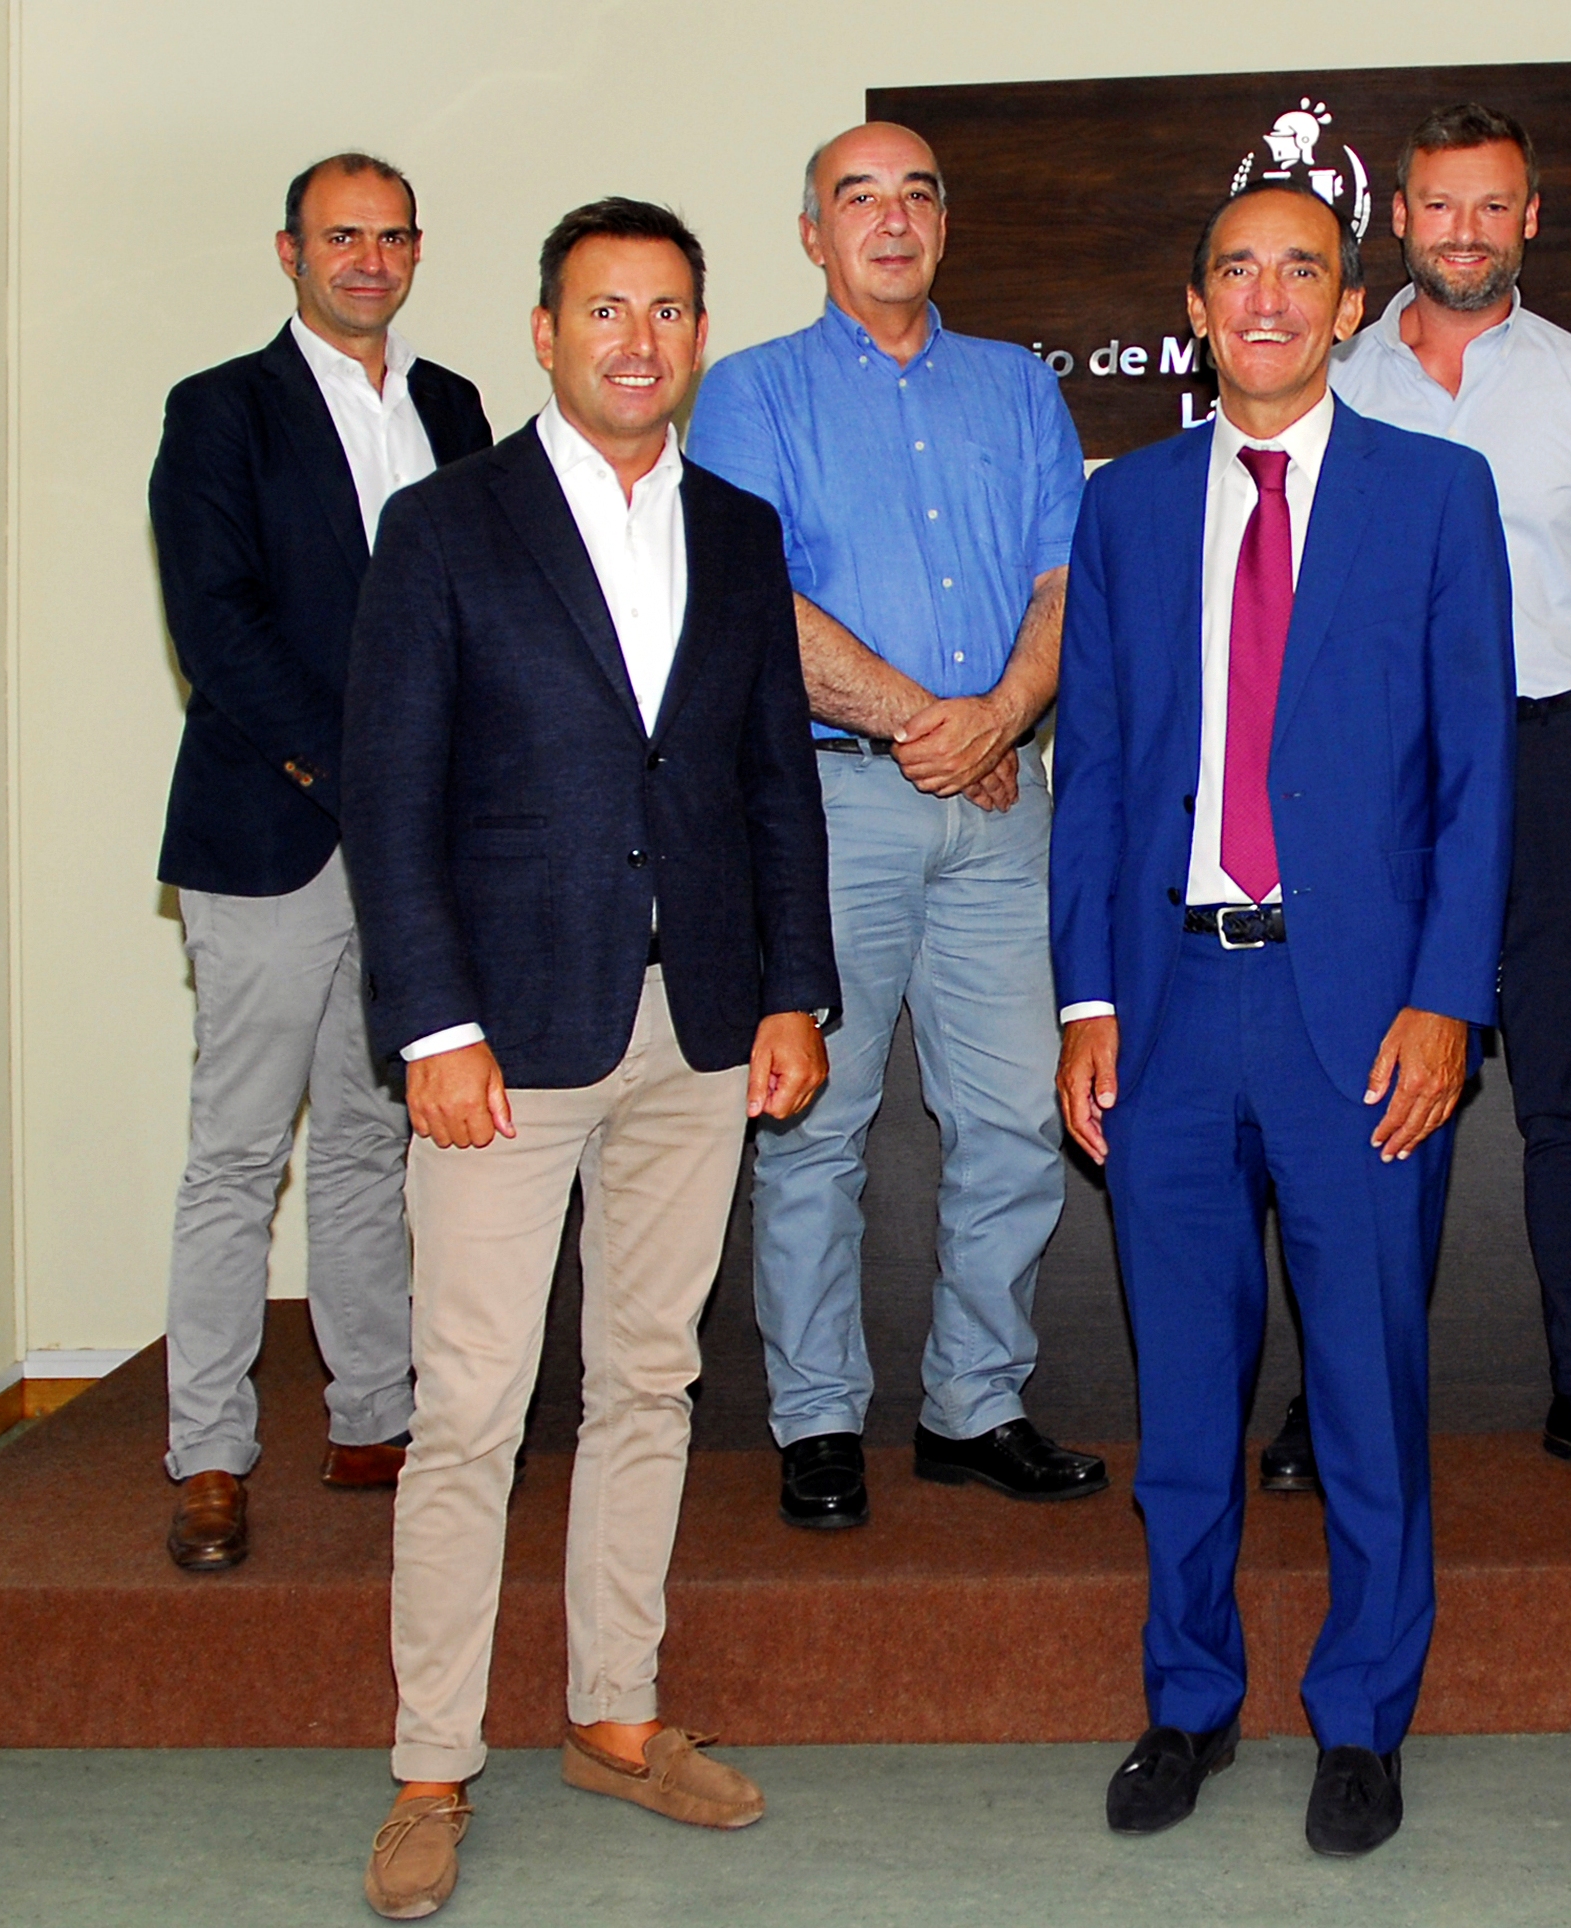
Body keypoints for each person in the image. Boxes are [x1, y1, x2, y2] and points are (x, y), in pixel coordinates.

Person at [342, 199, 837, 1919]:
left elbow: (773, 779)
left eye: (671, 310)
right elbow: (391, 800)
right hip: (504, 1036)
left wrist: (794, 992)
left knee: (649, 1381)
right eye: (605, 310)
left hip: (696, 1029)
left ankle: (615, 1715)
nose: (640, 339)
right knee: (471, 1407)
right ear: (545, 333)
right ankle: (430, 1765)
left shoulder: (739, 528)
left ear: (699, 335)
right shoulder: (443, 526)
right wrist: (434, 1026)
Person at [1050, 181, 1512, 1860]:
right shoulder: (1124, 505)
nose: (1265, 298)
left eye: (1299, 271)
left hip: (1361, 1018)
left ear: (1346, 303)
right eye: (1235, 272)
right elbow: (1096, 769)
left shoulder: (1437, 494)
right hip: (1169, 1008)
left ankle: (1362, 1716)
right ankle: (1188, 1700)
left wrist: (1446, 998)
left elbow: (1476, 775)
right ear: (1194, 306)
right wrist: (1086, 997)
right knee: (1185, 1402)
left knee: (1369, 1394)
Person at [688, 123, 1103, 1532]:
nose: (892, 219)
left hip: (1005, 804)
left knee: (1016, 1121)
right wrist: (942, 724)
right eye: (857, 197)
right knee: (814, 1124)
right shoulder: (750, 392)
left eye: (917, 193)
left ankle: (973, 1406)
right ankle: (816, 1420)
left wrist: (1006, 714)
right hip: (829, 808)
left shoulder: (1019, 385)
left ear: (944, 222)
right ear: (813, 234)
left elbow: (1065, 581)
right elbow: (753, 598)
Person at [1321, 101, 1571, 1495]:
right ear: (1398, 217)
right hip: (1375, 777)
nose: (1464, 231)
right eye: (1440, 204)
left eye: (1492, 205)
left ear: (1528, 219)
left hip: (1552, 763)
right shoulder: (1332, 387)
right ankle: (1336, 1398)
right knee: (1352, 1091)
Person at [145, 152, 493, 1573]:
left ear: (416, 252)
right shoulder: (219, 409)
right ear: (289, 251)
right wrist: (353, 776)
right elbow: (214, 624)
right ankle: (209, 1454)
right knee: (239, 1154)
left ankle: (374, 1417)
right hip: (272, 833)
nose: (368, 259)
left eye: (391, 237)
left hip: (422, 849)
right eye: (341, 236)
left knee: (370, 1139)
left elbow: (481, 611)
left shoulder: (452, 407)